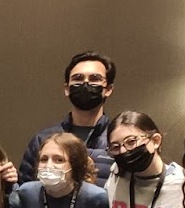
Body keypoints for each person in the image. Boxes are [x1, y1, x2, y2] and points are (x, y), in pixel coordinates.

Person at [19, 52, 116, 184]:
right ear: (67, 89)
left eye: (94, 79)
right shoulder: (42, 139)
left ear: (108, 89)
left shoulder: (117, 142)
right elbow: (25, 192)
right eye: (78, 78)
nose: (85, 83)